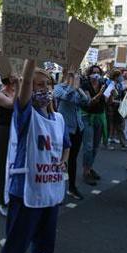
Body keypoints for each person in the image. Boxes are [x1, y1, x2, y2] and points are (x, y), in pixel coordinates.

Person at [0, 59, 70, 253]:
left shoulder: (58, 119)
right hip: (25, 192)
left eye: (47, 84)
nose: (44, 89)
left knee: (44, 252)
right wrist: (30, 57)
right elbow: (26, 80)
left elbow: (66, 145)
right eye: (37, 85)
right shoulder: (25, 115)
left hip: (49, 195)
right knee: (15, 250)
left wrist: (63, 160)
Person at [54, 71, 90, 200]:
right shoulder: (58, 88)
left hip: (77, 128)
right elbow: (65, 97)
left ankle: (72, 188)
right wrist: (71, 86)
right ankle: (55, 189)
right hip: (64, 129)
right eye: (73, 76)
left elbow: (86, 101)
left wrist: (78, 89)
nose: (76, 78)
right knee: (60, 159)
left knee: (73, 159)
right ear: (66, 76)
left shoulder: (77, 89)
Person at [0, 73, 17, 216]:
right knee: (2, 167)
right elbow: (12, 104)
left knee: (13, 166)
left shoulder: (15, 91)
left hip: (15, 131)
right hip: (3, 132)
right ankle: (1, 200)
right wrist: (19, 86)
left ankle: (11, 196)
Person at [81, 65, 107, 186]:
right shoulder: (85, 85)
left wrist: (110, 94)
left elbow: (108, 102)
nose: (96, 75)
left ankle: (90, 168)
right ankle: (86, 172)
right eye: (94, 72)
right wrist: (101, 93)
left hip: (99, 117)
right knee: (88, 146)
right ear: (89, 74)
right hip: (87, 117)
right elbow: (89, 102)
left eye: (98, 72)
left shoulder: (103, 84)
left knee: (96, 145)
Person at [106, 69, 127, 150]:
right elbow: (107, 97)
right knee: (111, 126)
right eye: (120, 76)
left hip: (119, 107)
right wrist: (114, 100)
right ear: (115, 77)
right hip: (111, 108)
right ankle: (108, 143)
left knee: (119, 126)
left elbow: (122, 94)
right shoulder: (111, 85)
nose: (121, 77)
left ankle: (123, 143)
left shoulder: (119, 85)